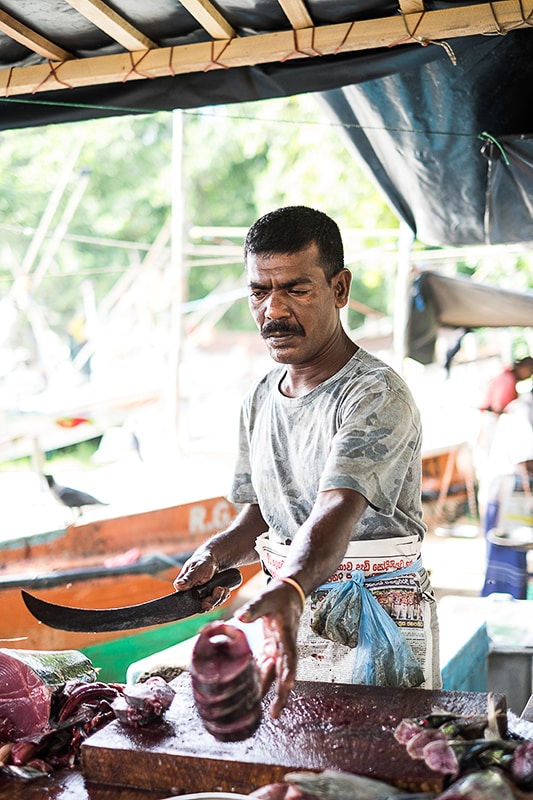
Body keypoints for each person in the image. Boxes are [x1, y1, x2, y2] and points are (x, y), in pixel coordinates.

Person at [173, 206, 440, 718]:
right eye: (258, 292)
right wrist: (215, 554)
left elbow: (335, 510)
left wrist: (290, 587)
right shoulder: (259, 397)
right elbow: (263, 517)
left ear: (340, 289)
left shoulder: (375, 394)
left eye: (295, 289)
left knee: (381, 775)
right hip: (291, 611)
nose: (272, 312)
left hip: (380, 623)